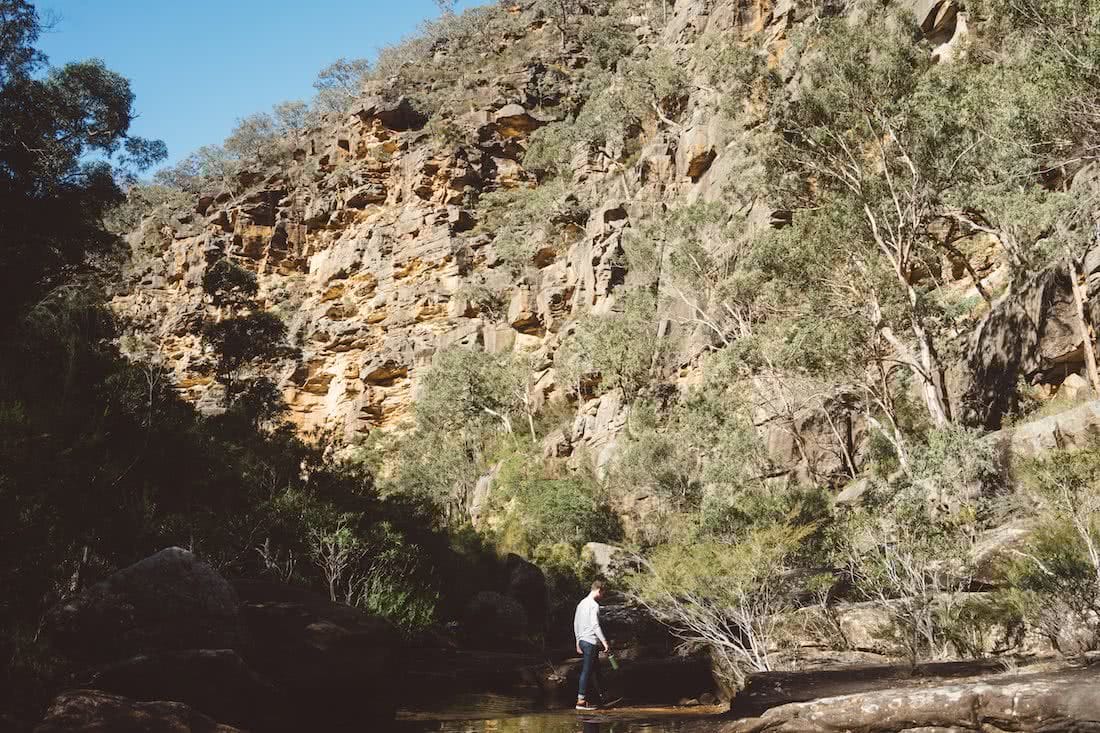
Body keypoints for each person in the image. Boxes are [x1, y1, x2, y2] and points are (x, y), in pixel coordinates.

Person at [573, 579, 610, 711]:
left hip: (583, 641)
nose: (603, 597)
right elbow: (595, 625)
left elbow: (576, 623)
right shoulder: (593, 605)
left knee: (596, 670)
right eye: (603, 594)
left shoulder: (581, 603)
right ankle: (581, 701)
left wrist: (578, 641)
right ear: (599, 591)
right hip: (590, 642)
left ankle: (601, 698)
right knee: (587, 671)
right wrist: (604, 641)